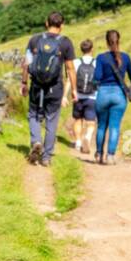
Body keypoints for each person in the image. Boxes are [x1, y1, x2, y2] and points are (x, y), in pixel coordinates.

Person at [21, 12, 76, 166]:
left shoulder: (35, 40)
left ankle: (36, 141)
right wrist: (73, 91)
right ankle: (46, 157)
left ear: (46, 23)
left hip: (37, 85)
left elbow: (26, 63)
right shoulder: (66, 42)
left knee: (33, 114)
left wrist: (24, 83)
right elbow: (70, 69)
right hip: (55, 87)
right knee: (52, 120)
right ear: (62, 25)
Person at [93, 29, 131, 165]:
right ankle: (110, 156)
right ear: (119, 41)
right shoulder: (126, 57)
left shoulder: (101, 58)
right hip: (119, 95)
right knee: (115, 127)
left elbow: (97, 78)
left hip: (103, 94)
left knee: (101, 126)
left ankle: (99, 154)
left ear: (107, 42)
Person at [71, 38, 98, 154]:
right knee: (91, 121)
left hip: (78, 96)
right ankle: (87, 137)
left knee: (78, 119)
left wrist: (68, 94)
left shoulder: (76, 62)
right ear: (92, 49)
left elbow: (70, 79)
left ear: (81, 50)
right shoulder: (96, 62)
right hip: (92, 96)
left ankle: (78, 142)